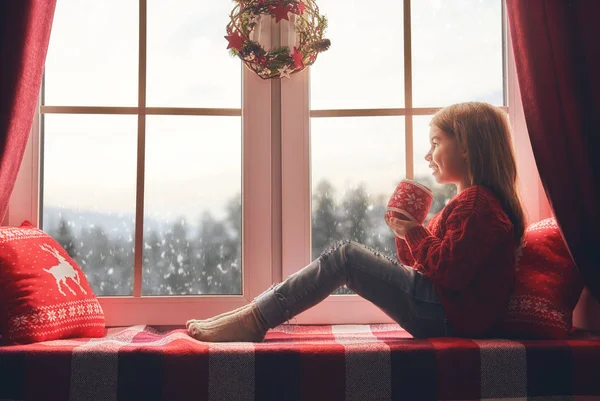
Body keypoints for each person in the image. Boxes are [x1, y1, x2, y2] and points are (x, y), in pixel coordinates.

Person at [186, 101, 525, 342]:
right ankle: (250, 316)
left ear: (466, 147)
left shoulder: (478, 203)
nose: (427, 155)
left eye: (435, 143)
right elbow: (426, 263)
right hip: (446, 311)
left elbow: (449, 271)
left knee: (345, 257)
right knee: (345, 257)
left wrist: (414, 231)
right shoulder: (470, 201)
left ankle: (254, 319)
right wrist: (405, 233)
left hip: (448, 315)